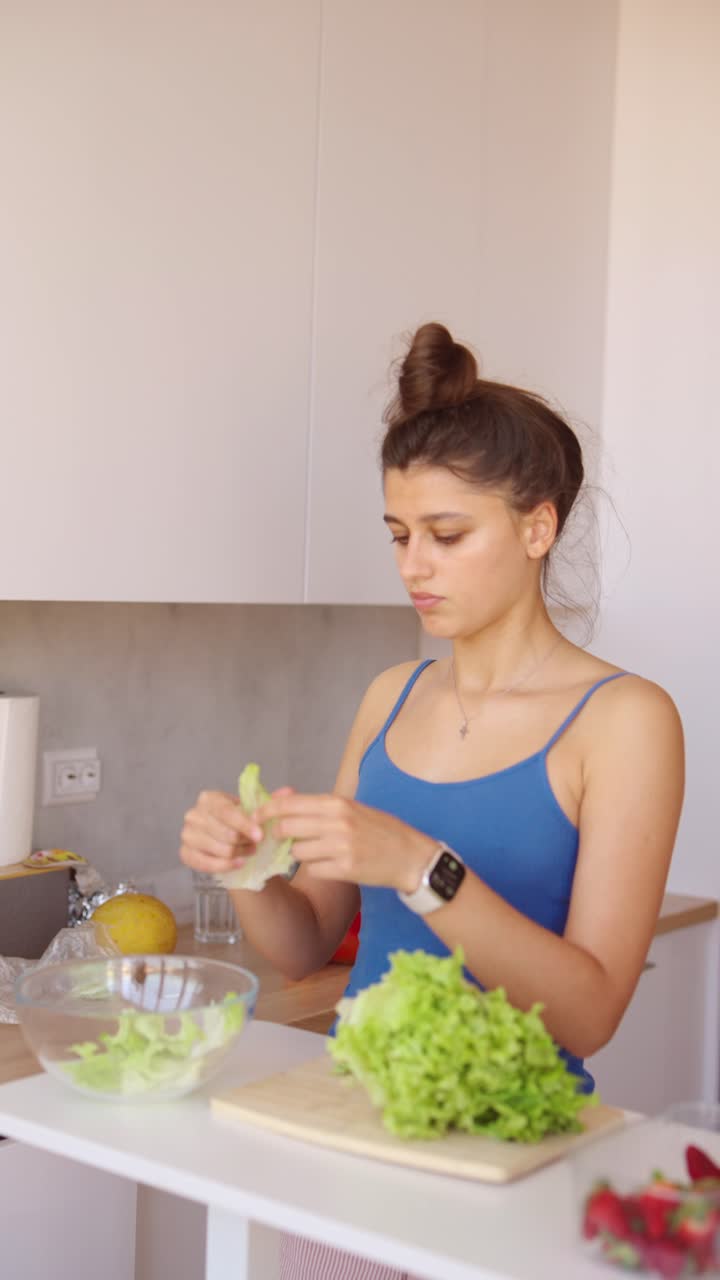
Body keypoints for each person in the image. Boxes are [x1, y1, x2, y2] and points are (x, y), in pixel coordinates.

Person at [179, 322, 685, 1280]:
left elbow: (590, 1012)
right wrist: (247, 866)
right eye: (401, 535)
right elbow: (300, 945)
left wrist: (420, 866)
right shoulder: (390, 698)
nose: (414, 566)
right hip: (352, 1139)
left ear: (538, 528)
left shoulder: (624, 722)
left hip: (514, 1166)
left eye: (449, 536)